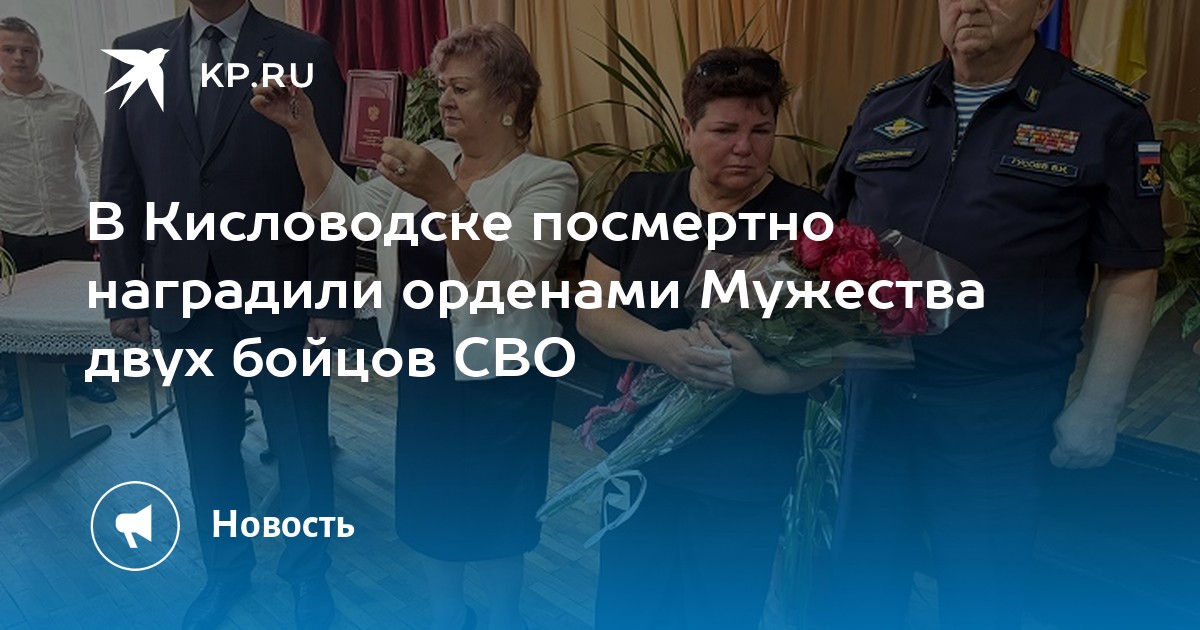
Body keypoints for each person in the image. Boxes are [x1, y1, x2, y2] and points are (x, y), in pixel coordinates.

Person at [823, 1, 1163, 628]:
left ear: (1042, 6)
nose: (971, 4)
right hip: (878, 393)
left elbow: (1130, 269)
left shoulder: (1103, 114)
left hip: (998, 406)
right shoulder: (886, 105)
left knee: (982, 590)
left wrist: (1100, 405)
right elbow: (832, 237)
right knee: (860, 582)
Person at [252, 22, 577, 630]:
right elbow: (349, 212)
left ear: (509, 99)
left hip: (503, 378)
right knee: (430, 503)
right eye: (442, 86)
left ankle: (504, 618)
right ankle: (447, 615)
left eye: (462, 88)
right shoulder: (436, 157)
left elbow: (505, 279)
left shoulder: (544, 179)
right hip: (425, 366)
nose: (446, 100)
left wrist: (446, 196)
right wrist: (303, 130)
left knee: (497, 512)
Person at [99, 1, 353, 629]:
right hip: (183, 295)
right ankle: (225, 572)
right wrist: (123, 290)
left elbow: (330, 181)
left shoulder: (305, 53)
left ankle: (308, 575)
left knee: (300, 449)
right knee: (208, 449)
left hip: (283, 293)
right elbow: (120, 182)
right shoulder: (134, 53)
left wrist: (332, 295)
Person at [578, 47, 841, 630]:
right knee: (627, 606)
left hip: (742, 466)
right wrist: (663, 348)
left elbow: (836, 351)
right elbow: (592, 314)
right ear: (687, 130)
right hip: (639, 455)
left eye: (761, 131)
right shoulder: (642, 197)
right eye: (724, 130)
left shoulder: (807, 220)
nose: (745, 147)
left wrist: (767, 377)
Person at [0, 16, 116, 422]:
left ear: (40, 54)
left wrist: (99, 215)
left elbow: (96, 160)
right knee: (13, 312)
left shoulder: (71, 103)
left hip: (70, 224)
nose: (19, 57)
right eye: (9, 49)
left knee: (80, 308)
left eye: (27, 50)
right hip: (12, 228)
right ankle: (16, 390)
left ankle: (84, 378)